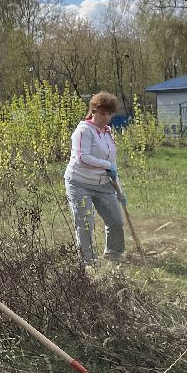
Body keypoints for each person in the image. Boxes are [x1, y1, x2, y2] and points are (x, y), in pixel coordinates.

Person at [64, 91, 125, 267]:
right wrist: (106, 166)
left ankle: (114, 254)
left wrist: (119, 189)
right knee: (85, 223)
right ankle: (88, 260)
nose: (106, 118)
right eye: (103, 113)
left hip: (103, 184)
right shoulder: (83, 131)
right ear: (94, 111)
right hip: (79, 183)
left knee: (115, 220)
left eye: (109, 114)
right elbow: (83, 157)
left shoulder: (108, 132)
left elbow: (111, 162)